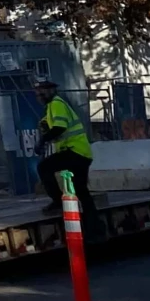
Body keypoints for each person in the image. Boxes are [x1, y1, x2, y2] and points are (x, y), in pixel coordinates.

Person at [34, 79, 97, 230]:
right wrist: (45, 125)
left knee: (44, 167)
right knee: (81, 190)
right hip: (82, 153)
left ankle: (57, 202)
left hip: (74, 151)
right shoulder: (54, 105)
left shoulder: (56, 104)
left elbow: (59, 128)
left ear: (50, 91)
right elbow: (56, 123)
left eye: (42, 92)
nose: (39, 96)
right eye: (38, 93)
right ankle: (94, 224)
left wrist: (42, 141)